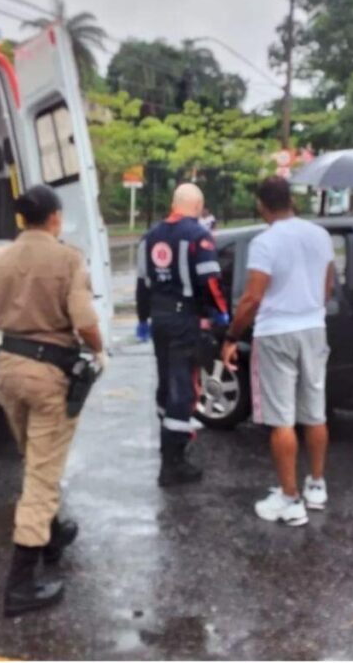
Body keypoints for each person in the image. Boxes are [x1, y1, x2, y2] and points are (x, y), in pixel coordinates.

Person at [0, 185, 105, 617]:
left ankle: (52, 534)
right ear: (55, 217)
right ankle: (20, 585)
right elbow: (84, 321)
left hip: (9, 372)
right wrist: (98, 350)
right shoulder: (68, 258)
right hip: (49, 376)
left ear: (22, 219)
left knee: (36, 458)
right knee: (41, 474)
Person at [221, 176, 334, 526]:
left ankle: (290, 499)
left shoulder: (265, 242)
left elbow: (252, 297)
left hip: (276, 333)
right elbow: (328, 284)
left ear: (261, 204)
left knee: (281, 419)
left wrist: (231, 336)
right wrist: (311, 307)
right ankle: (316, 486)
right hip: (314, 328)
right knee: (315, 413)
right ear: (291, 200)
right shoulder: (320, 235)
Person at [135, 183, 230, 487]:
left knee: (166, 384)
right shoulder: (198, 236)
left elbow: (142, 283)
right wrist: (221, 312)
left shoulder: (149, 237)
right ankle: (173, 463)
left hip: (159, 319)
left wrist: (142, 318)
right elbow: (210, 280)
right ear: (198, 206)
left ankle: (168, 447)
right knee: (184, 390)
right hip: (184, 320)